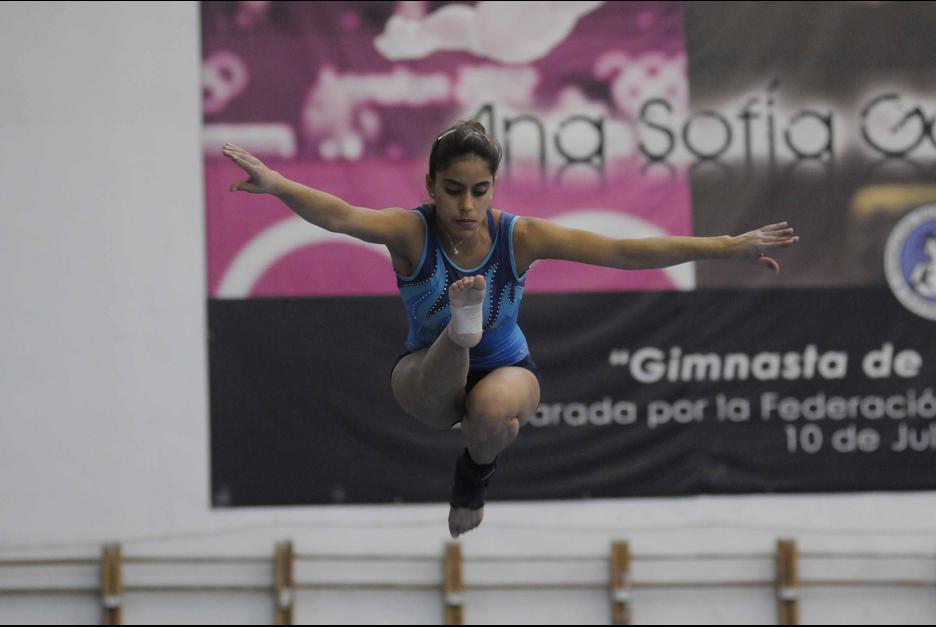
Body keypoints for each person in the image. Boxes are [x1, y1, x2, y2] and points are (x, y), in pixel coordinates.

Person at [222, 120, 799, 538]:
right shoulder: (410, 232)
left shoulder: (517, 237)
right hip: (426, 375)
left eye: (480, 190)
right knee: (454, 351)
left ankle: (472, 474)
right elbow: (343, 215)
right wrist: (278, 184)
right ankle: (461, 331)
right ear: (430, 185)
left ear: (494, 187)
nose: (467, 205)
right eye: (453, 191)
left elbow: (624, 249)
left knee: (496, 414)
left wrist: (728, 246)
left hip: (506, 368)